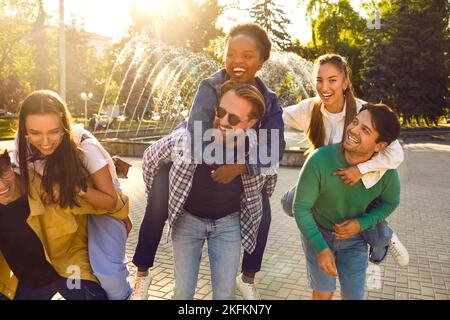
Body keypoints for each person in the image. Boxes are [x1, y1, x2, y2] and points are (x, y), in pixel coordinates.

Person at [131, 23, 285, 300]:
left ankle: (247, 277)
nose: (237, 61)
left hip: (237, 163)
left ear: (262, 61)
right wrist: (247, 148)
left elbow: (275, 150)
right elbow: (199, 138)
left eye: (247, 56)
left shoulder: (269, 101)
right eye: (231, 54)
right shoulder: (210, 85)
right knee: (158, 200)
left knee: (262, 209)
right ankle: (142, 271)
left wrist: (240, 166)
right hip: (186, 150)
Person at [140, 81, 276, 299]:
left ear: (251, 122)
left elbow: (268, 181)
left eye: (233, 119)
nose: (222, 121)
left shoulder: (257, 151)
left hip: (228, 225)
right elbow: (150, 159)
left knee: (225, 294)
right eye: (221, 112)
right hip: (187, 222)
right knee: (183, 293)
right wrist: (154, 194)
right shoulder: (187, 139)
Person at [281, 54, 408, 266]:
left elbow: (396, 153)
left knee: (363, 222)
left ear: (345, 83)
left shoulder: (362, 111)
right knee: (288, 202)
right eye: (319, 80)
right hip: (327, 179)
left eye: (332, 80)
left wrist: (362, 169)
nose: (325, 87)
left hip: (356, 182)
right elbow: (276, 115)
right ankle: (334, 230)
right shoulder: (309, 108)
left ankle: (383, 235)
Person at [13, 90, 132, 300]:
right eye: (35, 133)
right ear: (24, 129)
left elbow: (110, 202)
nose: (45, 141)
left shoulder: (86, 150)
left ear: (65, 127)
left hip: (100, 194)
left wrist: (75, 187)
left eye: (54, 131)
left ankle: (126, 297)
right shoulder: (21, 145)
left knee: (110, 275)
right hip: (68, 209)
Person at [294, 103, 401, 300]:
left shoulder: (386, 173)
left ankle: (384, 234)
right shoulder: (319, 159)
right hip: (318, 232)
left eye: (365, 130)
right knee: (323, 293)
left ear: (380, 146)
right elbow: (300, 209)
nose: (352, 130)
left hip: (355, 239)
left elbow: (391, 202)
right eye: (354, 122)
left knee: (353, 296)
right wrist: (320, 247)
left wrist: (362, 223)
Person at [0, 148, 128, 300]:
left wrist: (122, 218)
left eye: (3, 173)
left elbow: (109, 202)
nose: (1, 185)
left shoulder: (46, 185)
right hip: (28, 280)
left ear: (10, 165)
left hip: (68, 268)